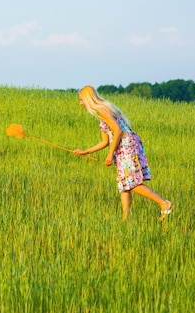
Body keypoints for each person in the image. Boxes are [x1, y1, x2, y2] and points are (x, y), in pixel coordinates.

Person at [73, 85, 173, 221]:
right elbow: (105, 141)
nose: (81, 103)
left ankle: (163, 203)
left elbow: (118, 131)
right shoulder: (104, 110)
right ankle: (125, 219)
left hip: (126, 146)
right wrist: (85, 151)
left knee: (131, 182)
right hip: (123, 146)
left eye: (81, 100)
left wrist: (109, 154)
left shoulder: (101, 110)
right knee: (124, 184)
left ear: (88, 99)